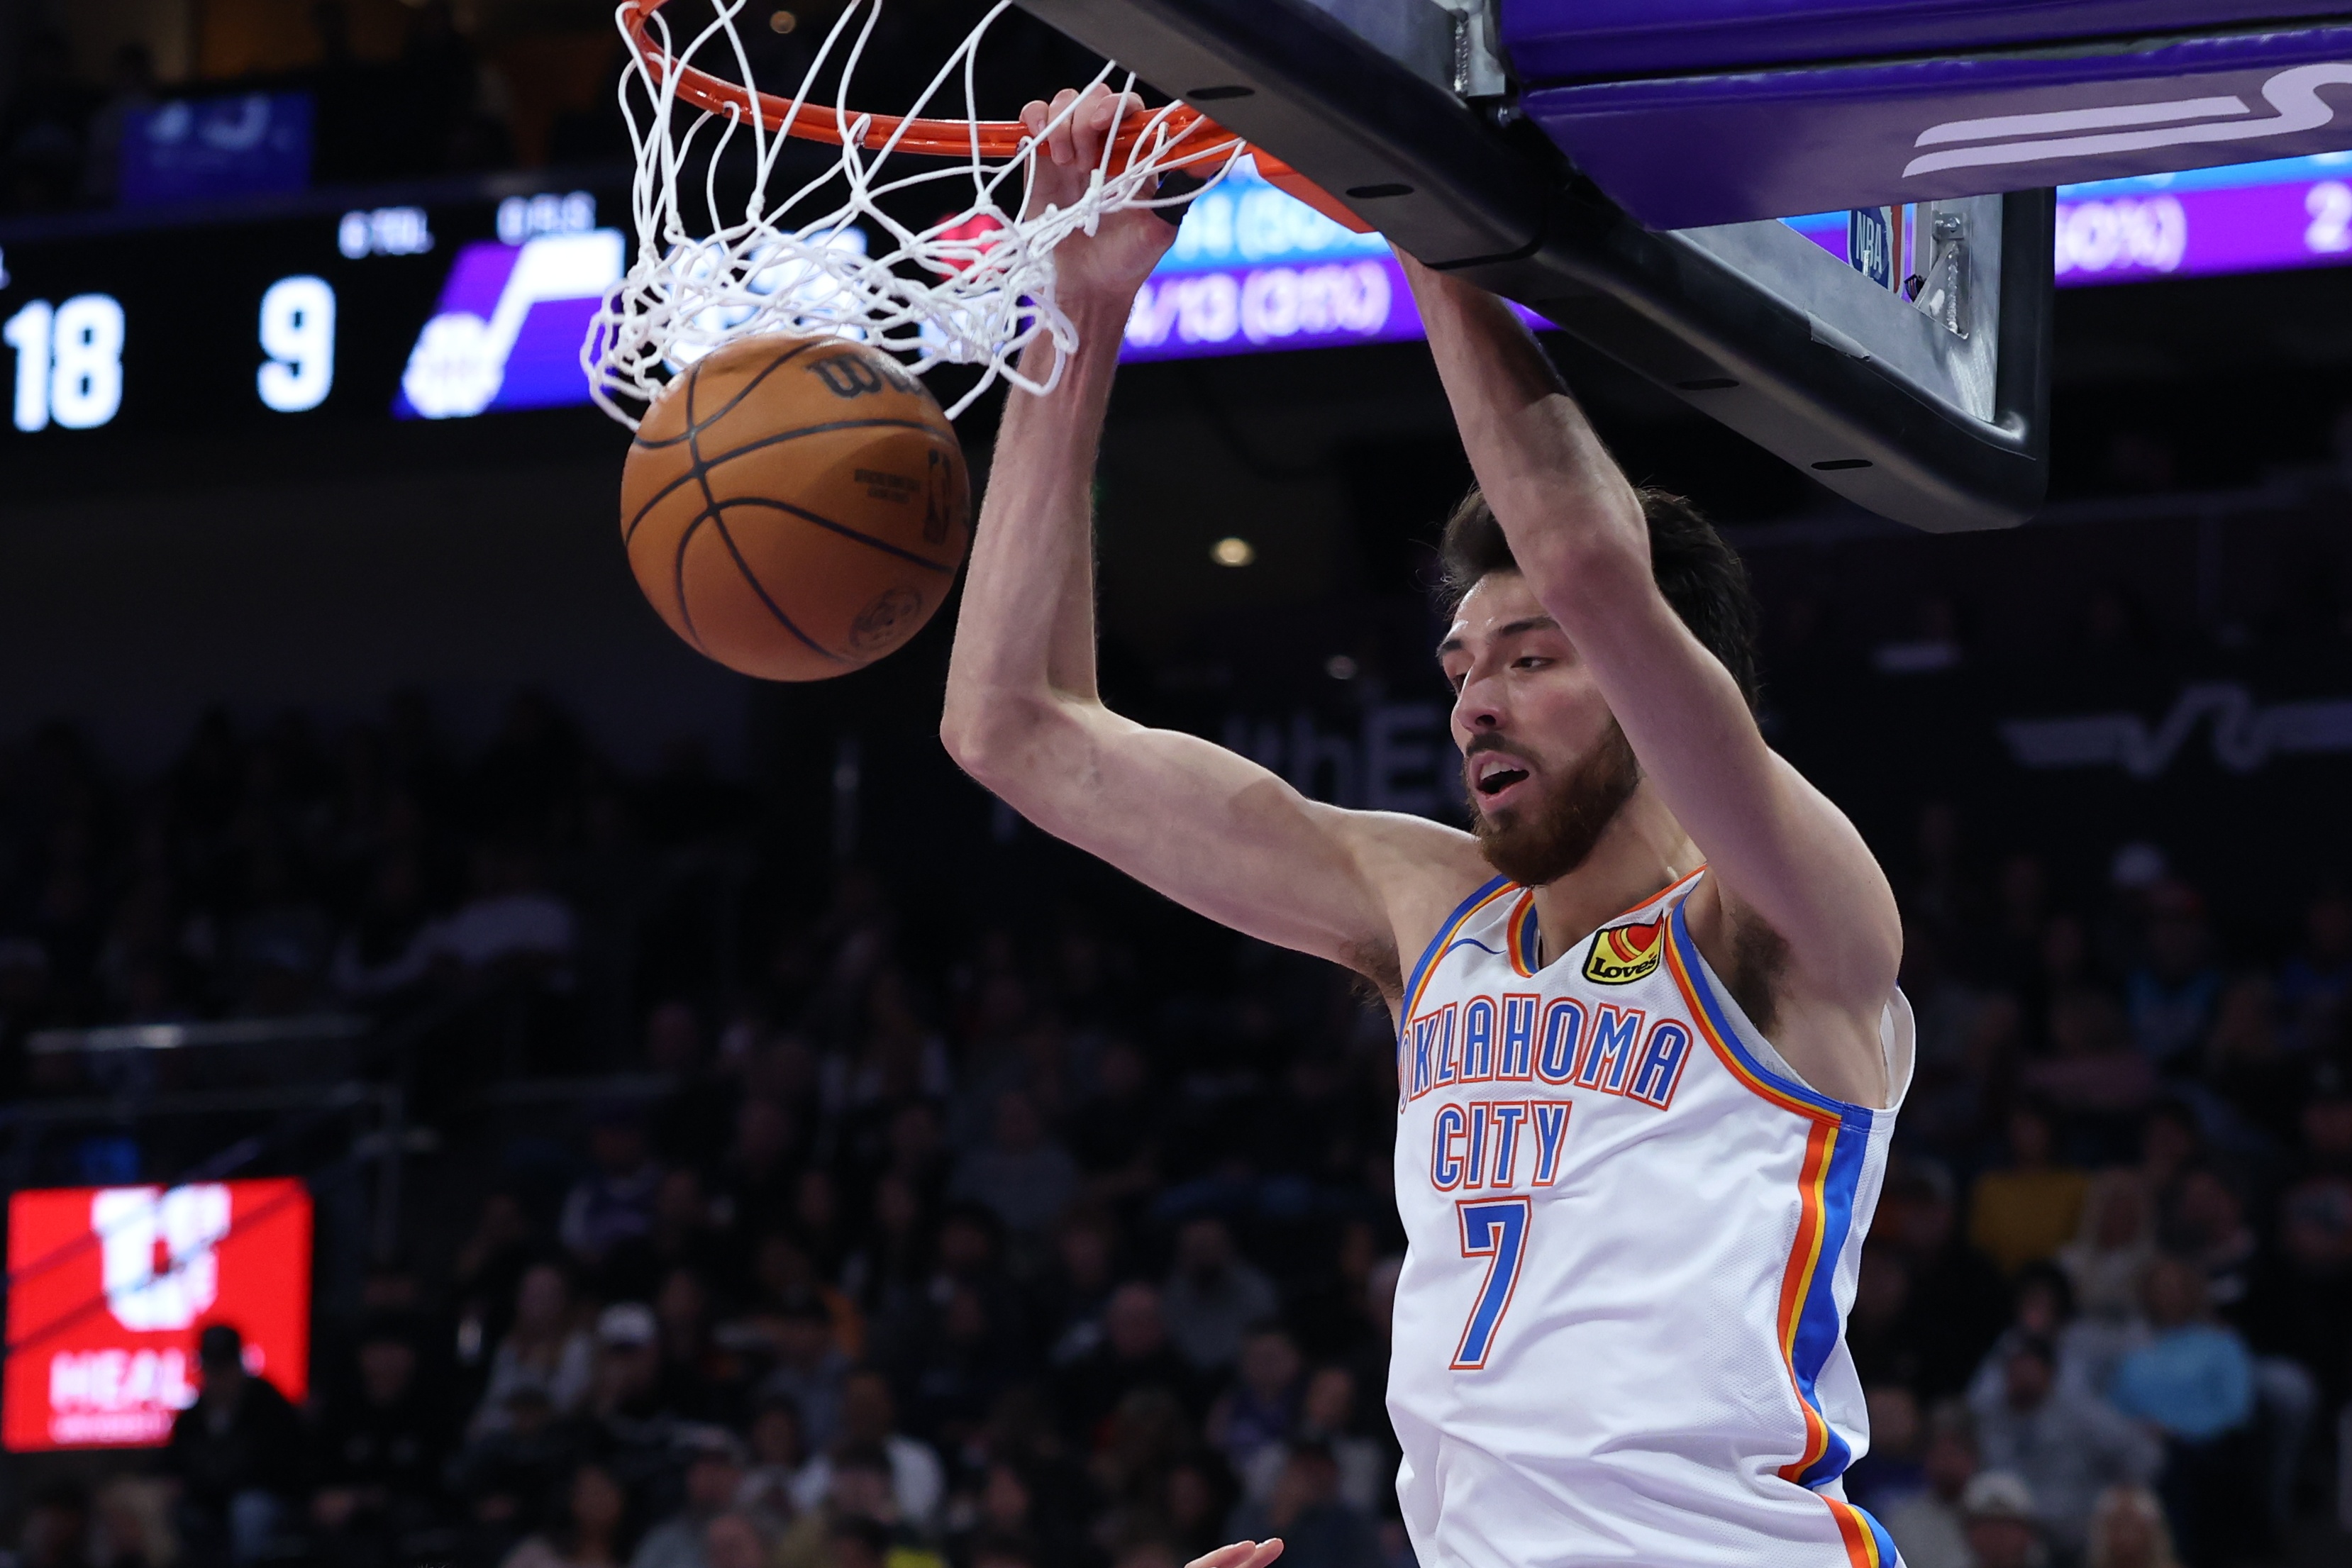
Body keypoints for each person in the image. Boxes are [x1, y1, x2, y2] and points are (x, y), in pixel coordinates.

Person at [942, 84, 1913, 1566]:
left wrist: (1415, 199)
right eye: (1459, 670)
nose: (1474, 706)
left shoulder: (1790, 921)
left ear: (1665, 679)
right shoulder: (1430, 909)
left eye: (1528, 661)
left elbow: (1587, 560)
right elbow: (1011, 726)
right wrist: (1073, 308)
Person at [165, 1324, 308, 1568]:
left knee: (248, 1510)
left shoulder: (268, 1405)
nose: (219, 1377)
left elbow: (284, 1467)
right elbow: (172, 1466)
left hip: (263, 1498)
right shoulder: (193, 1416)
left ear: (239, 1365)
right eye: (212, 1367)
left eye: (225, 1367)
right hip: (206, 1500)